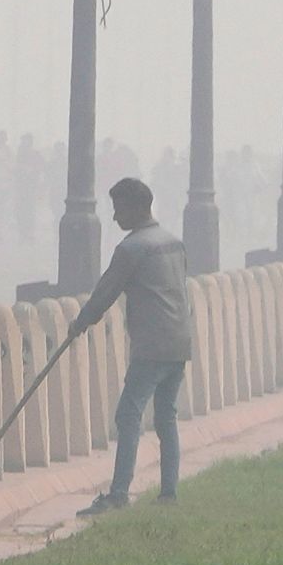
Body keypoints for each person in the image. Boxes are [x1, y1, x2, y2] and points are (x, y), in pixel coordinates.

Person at [71, 176, 192, 512]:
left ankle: (119, 494)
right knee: (166, 416)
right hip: (179, 340)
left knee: (128, 414)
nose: (115, 217)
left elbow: (105, 292)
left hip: (152, 345)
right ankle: (168, 493)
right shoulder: (173, 242)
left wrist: (81, 322)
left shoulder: (132, 249)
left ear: (137, 208)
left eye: (118, 208)